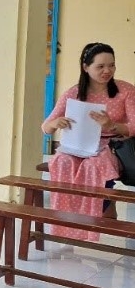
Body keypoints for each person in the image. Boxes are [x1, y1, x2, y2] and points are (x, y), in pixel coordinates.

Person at [41, 42, 135, 235]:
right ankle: (66, 223)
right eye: (100, 66)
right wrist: (56, 122)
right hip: (77, 145)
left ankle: (92, 221)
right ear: (86, 67)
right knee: (62, 161)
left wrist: (112, 126)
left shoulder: (125, 91)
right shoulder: (73, 93)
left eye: (111, 65)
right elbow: (45, 127)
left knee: (94, 166)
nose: (107, 71)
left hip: (112, 145)